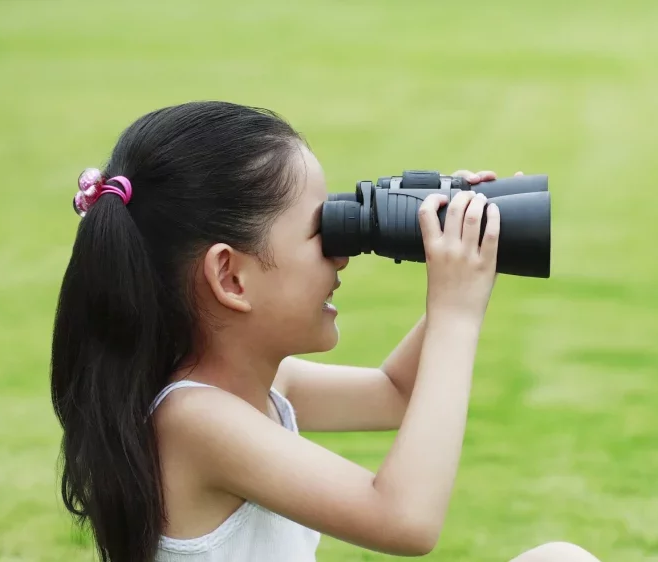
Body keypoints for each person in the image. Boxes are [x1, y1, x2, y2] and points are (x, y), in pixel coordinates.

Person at [50, 101, 599, 562]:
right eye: (321, 231)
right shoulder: (192, 420)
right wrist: (456, 312)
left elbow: (398, 394)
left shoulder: (257, 387)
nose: (342, 256)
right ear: (230, 276)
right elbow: (404, 520)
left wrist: (470, 260)